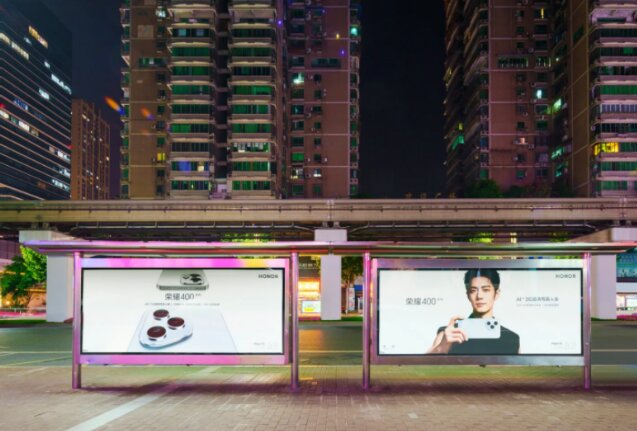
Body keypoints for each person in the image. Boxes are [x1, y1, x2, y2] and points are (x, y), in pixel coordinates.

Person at [427, 269, 519, 354]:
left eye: (486, 290)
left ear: (497, 294)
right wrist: (442, 347)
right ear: (468, 295)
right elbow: (423, 364)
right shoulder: (450, 333)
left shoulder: (511, 339)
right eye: (473, 290)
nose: (479, 296)